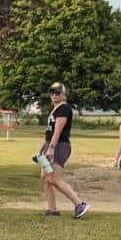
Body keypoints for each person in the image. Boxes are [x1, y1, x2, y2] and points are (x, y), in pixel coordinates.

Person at [39, 83, 88, 219]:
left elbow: (57, 132)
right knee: (44, 177)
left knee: (54, 178)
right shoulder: (55, 108)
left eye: (58, 93)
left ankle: (80, 204)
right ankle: (52, 209)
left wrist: (51, 149)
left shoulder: (64, 109)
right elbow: (49, 132)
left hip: (59, 146)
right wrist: (44, 147)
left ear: (63, 94)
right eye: (52, 92)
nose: (55, 95)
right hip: (50, 145)